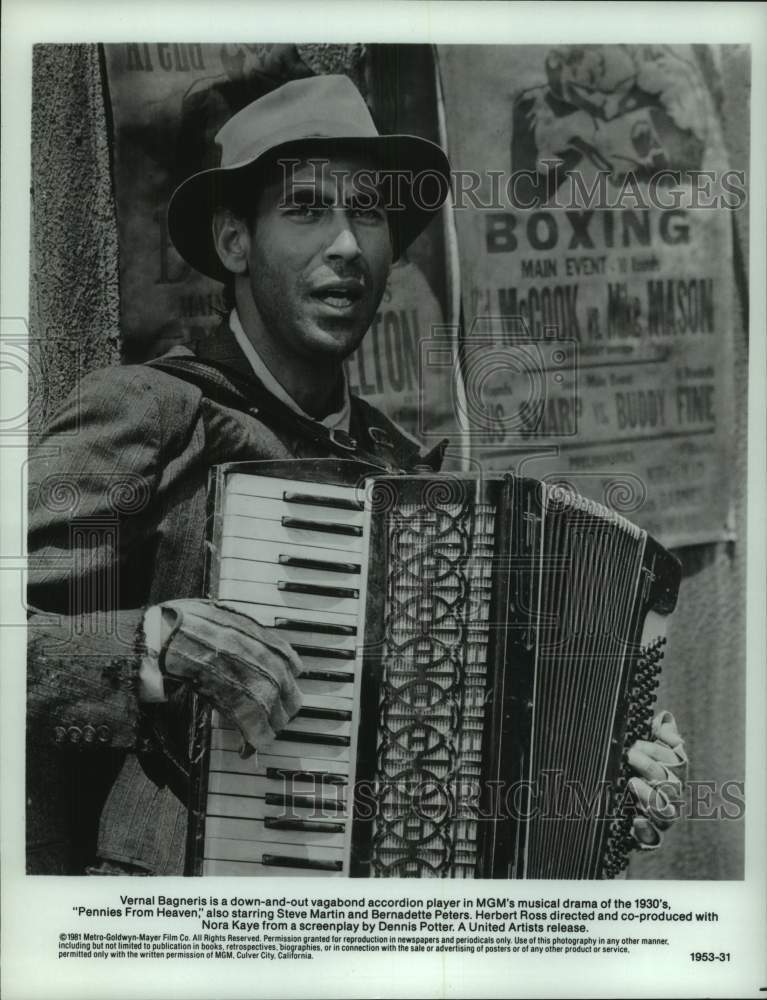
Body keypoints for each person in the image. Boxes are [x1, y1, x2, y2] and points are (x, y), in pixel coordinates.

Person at [26, 74, 687, 876]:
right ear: (235, 242)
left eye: (366, 212)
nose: (345, 244)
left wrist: (605, 791)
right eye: (306, 208)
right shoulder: (149, 414)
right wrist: (152, 647)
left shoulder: (404, 473)